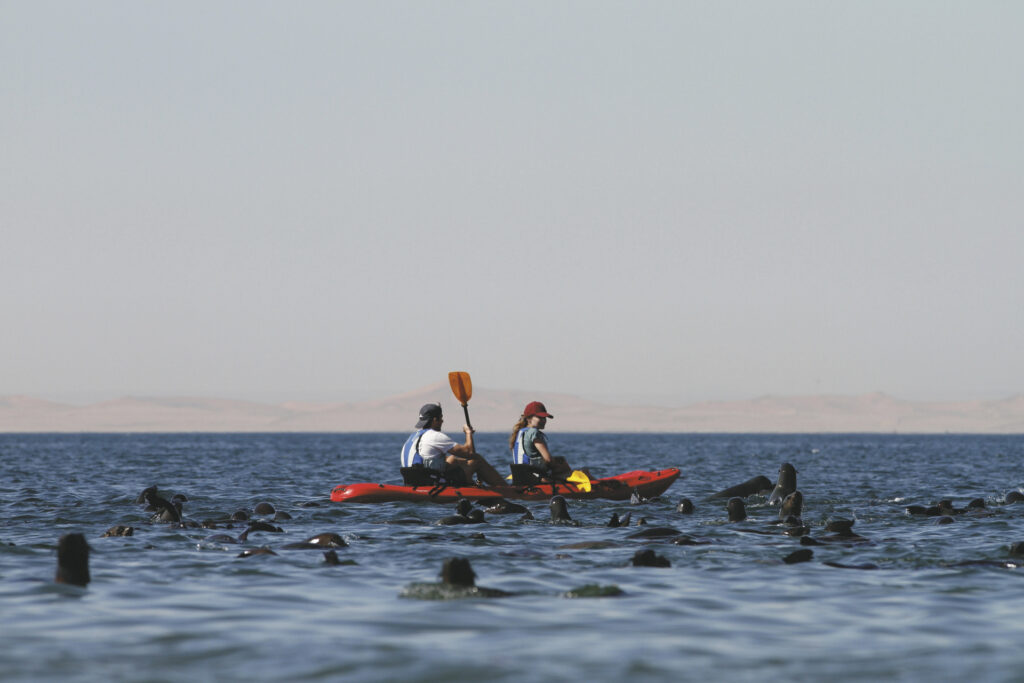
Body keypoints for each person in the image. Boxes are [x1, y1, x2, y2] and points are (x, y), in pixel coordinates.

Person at [401, 403, 506, 487]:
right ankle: (507, 490)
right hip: (431, 482)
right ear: (434, 420)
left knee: (452, 459)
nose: (442, 421)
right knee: (477, 461)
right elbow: (470, 453)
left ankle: (471, 484)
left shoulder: (412, 437)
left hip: (413, 481)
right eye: (441, 418)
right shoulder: (434, 436)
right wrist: (468, 433)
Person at [508, 401, 573, 478]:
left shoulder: (520, 432)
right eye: (540, 417)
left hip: (520, 476)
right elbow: (548, 459)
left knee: (559, 459)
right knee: (564, 463)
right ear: (529, 418)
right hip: (534, 477)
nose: (543, 420)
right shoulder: (533, 432)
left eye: (544, 418)